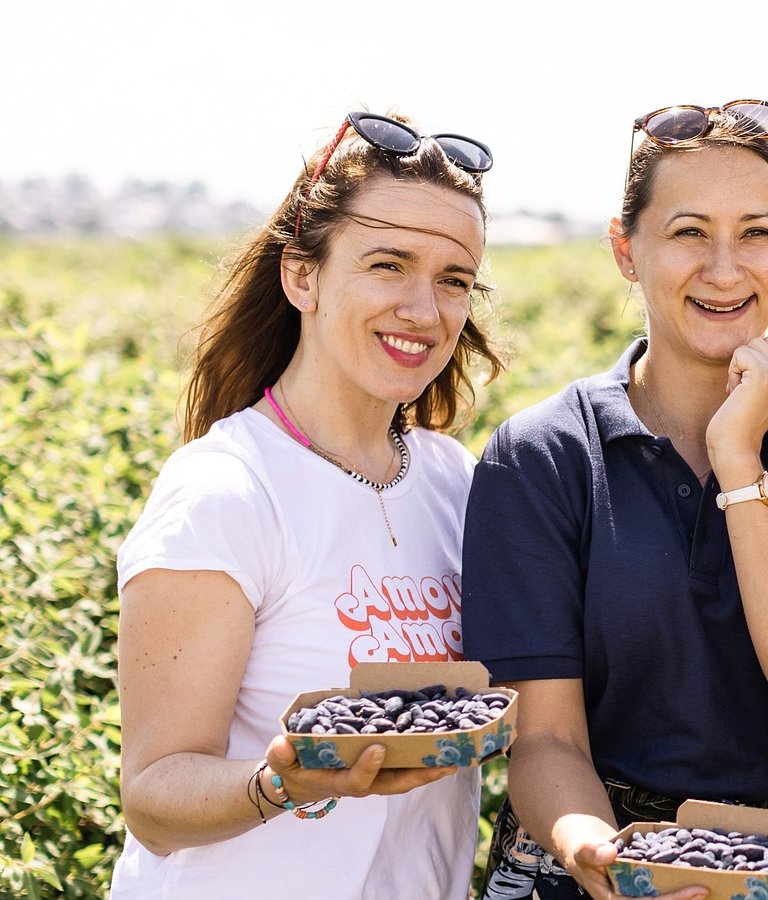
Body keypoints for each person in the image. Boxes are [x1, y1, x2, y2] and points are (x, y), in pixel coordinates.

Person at [463, 100, 768, 900]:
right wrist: (598, 853)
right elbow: (547, 740)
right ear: (625, 249)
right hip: (596, 856)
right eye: (688, 232)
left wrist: (737, 459)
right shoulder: (544, 455)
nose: (725, 267)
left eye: (758, 232)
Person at [113, 111, 503, 898]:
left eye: (453, 279)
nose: (425, 311)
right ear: (303, 276)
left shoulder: (456, 483)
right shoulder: (226, 491)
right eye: (388, 265)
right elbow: (154, 797)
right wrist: (288, 782)